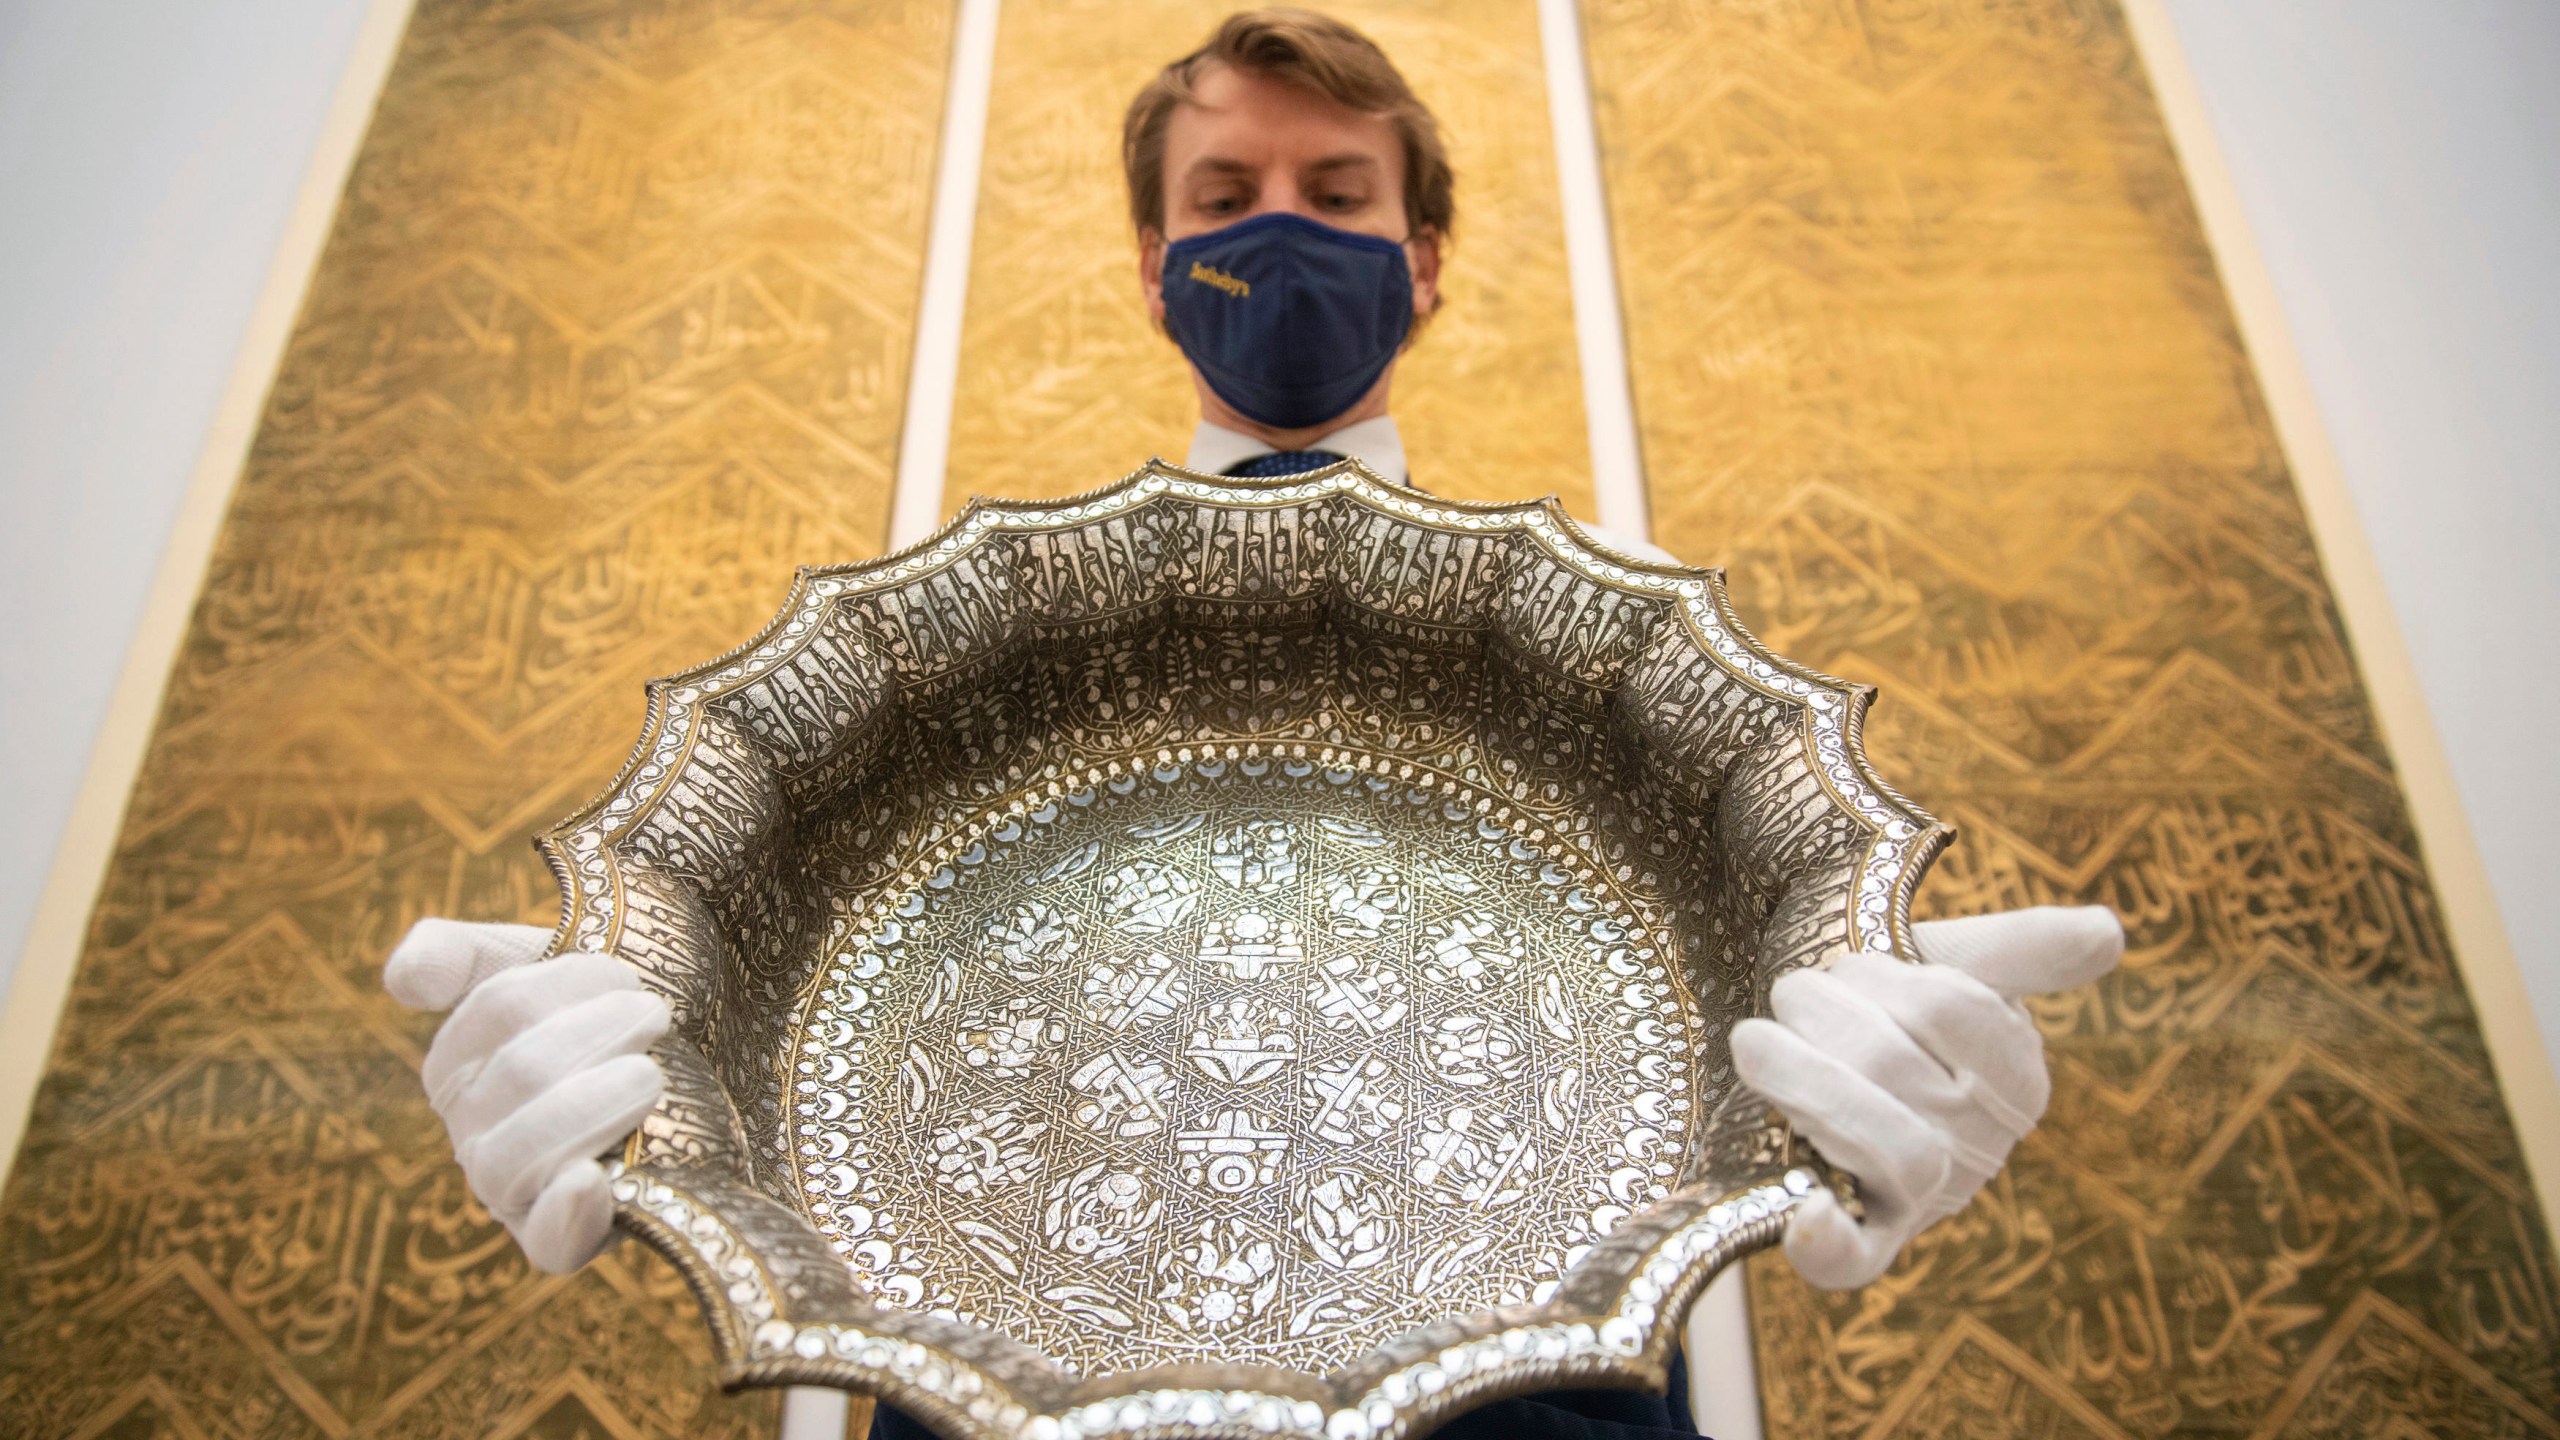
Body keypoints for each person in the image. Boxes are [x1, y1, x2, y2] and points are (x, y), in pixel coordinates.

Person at [386, 12, 2124, 1438]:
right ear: (1158, 265)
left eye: (1335, 190)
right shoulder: (969, 689)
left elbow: (1734, 1024)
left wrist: (1861, 1043)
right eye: (1225, 192)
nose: (1275, 229)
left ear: (1420, 259)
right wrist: (664, 1073)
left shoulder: (1626, 661)